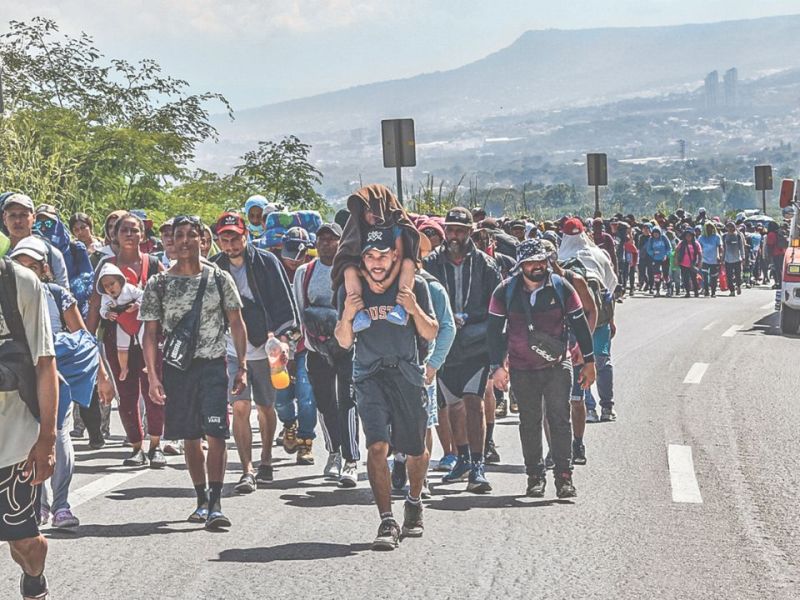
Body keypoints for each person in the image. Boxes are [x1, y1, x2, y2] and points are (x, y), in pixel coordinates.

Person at [141, 215, 248, 530]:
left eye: (192, 234)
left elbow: (237, 323)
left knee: (216, 433)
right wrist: (152, 375)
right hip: (178, 369)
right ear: (170, 241)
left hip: (213, 365)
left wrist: (241, 366)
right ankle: (201, 499)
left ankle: (216, 503)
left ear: (203, 239)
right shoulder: (159, 284)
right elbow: (150, 333)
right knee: (190, 436)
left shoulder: (219, 278)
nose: (185, 241)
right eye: (179, 235)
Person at [334, 226, 438, 550]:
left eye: (382, 255)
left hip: (406, 374)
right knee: (377, 447)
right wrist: (349, 315)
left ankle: (414, 500)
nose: (377, 262)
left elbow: (431, 331)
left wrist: (412, 308)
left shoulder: (414, 285)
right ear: (362, 260)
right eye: (370, 256)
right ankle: (386, 520)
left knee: (416, 450)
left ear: (394, 256)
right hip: (369, 375)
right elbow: (343, 341)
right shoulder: (353, 289)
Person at [10, 237, 114, 531]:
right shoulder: (6, 297)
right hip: (19, 375)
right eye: (21, 265)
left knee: (57, 434)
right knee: (29, 438)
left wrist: (102, 376)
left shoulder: (57, 294)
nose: (27, 272)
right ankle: (38, 504)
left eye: (33, 265)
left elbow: (84, 337)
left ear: (45, 269)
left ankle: (61, 506)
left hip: (55, 373)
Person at [487, 239, 596, 498]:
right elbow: (493, 332)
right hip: (522, 368)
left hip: (558, 365)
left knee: (559, 419)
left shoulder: (561, 287)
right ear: (521, 264)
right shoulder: (504, 292)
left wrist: (590, 362)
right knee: (529, 422)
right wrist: (497, 366)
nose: (537, 266)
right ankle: (534, 476)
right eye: (531, 261)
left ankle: (564, 477)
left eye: (541, 260)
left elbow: (580, 325)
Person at [211, 212, 298, 492]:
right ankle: (247, 468)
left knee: (265, 407)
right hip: (231, 347)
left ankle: (266, 459)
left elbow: (283, 301)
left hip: (264, 345)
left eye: (235, 238)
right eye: (224, 239)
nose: (230, 244)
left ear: (245, 235)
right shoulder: (214, 268)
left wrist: (282, 337)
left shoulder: (266, 262)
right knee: (239, 407)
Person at [87, 212, 166, 468]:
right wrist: (87, 339)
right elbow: (95, 303)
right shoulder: (105, 265)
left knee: (154, 390)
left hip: (150, 337)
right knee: (126, 393)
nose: (130, 235)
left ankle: (156, 445)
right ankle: (135, 446)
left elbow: (168, 297)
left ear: (142, 235)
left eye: (135, 230)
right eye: (125, 230)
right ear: (114, 235)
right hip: (115, 337)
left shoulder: (153, 263)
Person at [0, 256, 59, 600]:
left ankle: (34, 577)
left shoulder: (19, 282)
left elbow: (44, 362)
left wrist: (47, 440)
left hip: (15, 439)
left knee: (24, 543)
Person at [293, 222, 362, 486]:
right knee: (324, 403)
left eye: (332, 239)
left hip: (347, 347)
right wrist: (303, 341)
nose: (326, 243)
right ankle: (333, 452)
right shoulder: (305, 272)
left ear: (341, 242)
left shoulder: (349, 270)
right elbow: (299, 307)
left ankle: (351, 459)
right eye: (321, 239)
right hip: (315, 348)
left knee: (348, 401)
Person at [333, 184, 420, 333]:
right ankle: (359, 313)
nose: (370, 215)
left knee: (408, 263)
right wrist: (369, 279)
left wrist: (387, 282)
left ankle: (401, 308)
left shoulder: (394, 226)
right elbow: (353, 257)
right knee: (349, 270)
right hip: (365, 270)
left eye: (373, 209)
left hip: (393, 268)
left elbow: (399, 256)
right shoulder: (359, 227)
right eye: (366, 210)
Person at [274, 227, 317, 464]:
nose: (291, 259)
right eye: (287, 252)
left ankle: (305, 441)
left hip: (305, 345)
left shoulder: (312, 271)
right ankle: (289, 424)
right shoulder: (274, 269)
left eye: (297, 253)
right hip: (279, 344)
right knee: (280, 396)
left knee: (306, 395)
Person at [2, 194, 69, 290]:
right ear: (4, 219)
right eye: (12, 215)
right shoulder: (1, 250)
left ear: (34, 218)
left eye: (23, 215)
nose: (17, 221)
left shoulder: (50, 253)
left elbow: (64, 297)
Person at [96, 262, 144, 381]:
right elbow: (102, 310)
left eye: (112, 284)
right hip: (122, 324)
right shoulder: (106, 297)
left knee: (145, 341)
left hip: (138, 320)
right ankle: (124, 368)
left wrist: (137, 305)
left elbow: (144, 295)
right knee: (121, 348)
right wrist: (107, 314)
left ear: (120, 281)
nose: (109, 288)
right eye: (106, 286)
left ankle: (149, 364)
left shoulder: (129, 289)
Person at [643, 226, 671, 297]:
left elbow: (669, 248)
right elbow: (648, 249)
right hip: (655, 259)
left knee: (665, 275)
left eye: (657, 233)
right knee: (656, 275)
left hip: (665, 258)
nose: (656, 235)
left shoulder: (664, 238)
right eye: (654, 233)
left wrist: (666, 255)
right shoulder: (651, 240)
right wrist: (653, 253)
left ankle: (669, 289)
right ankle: (657, 290)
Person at [675, 228, 703, 298]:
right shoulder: (681, 243)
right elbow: (676, 251)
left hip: (693, 264)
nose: (688, 237)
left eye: (690, 235)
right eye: (687, 235)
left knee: (694, 278)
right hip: (683, 264)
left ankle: (696, 292)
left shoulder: (696, 243)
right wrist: (676, 260)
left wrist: (699, 263)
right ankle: (687, 292)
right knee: (685, 279)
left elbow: (700, 253)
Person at [721, 221, 745, 296]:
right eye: (729, 227)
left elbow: (741, 247)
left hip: (737, 259)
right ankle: (732, 290)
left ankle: (738, 286)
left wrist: (743, 257)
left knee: (738, 275)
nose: (731, 228)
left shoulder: (738, 236)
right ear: (727, 228)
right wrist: (722, 259)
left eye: (732, 227)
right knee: (729, 276)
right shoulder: (724, 236)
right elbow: (723, 248)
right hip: (728, 259)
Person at [698, 222, 722, 297]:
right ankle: (706, 291)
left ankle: (713, 292)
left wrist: (719, 255)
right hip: (704, 259)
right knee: (705, 276)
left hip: (714, 259)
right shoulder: (701, 237)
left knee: (713, 277)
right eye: (707, 227)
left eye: (711, 227)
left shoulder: (717, 237)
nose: (709, 229)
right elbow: (699, 248)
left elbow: (719, 247)